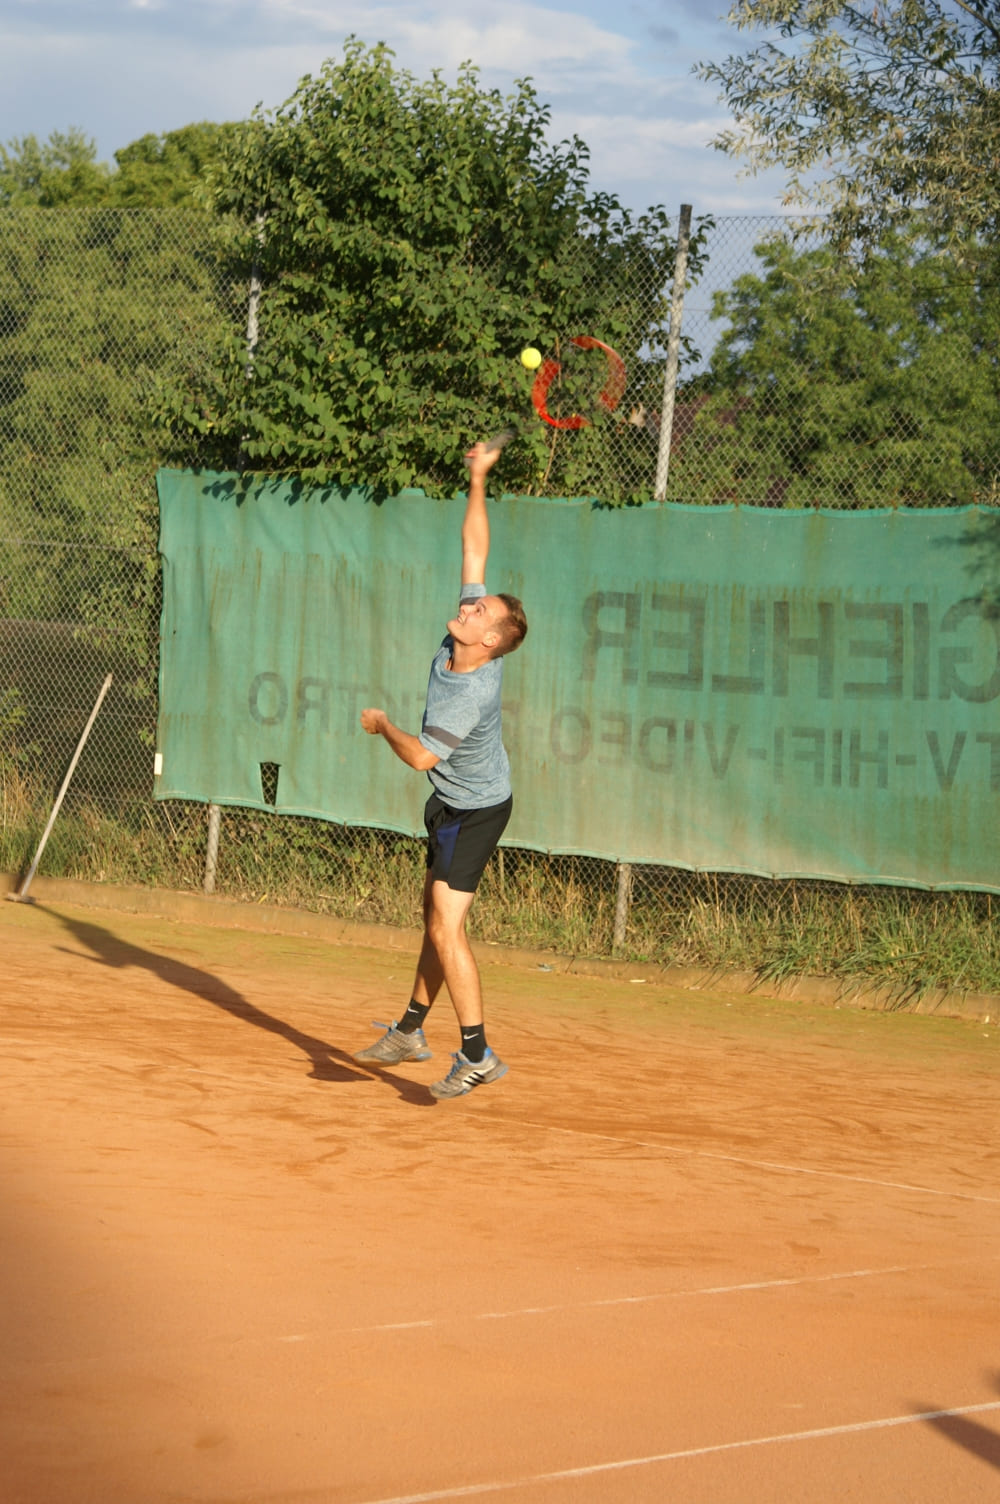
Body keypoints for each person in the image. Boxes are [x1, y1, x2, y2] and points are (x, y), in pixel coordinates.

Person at [355, 440, 527, 1098]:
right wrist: (478, 478)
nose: (469, 605)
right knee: (434, 918)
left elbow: (423, 755)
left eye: (481, 611)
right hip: (451, 806)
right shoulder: (467, 640)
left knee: (444, 923)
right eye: (474, 603)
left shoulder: (469, 688)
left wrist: (383, 727)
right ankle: (409, 1031)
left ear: (490, 640)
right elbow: (474, 549)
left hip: (477, 809)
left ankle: (478, 1054)